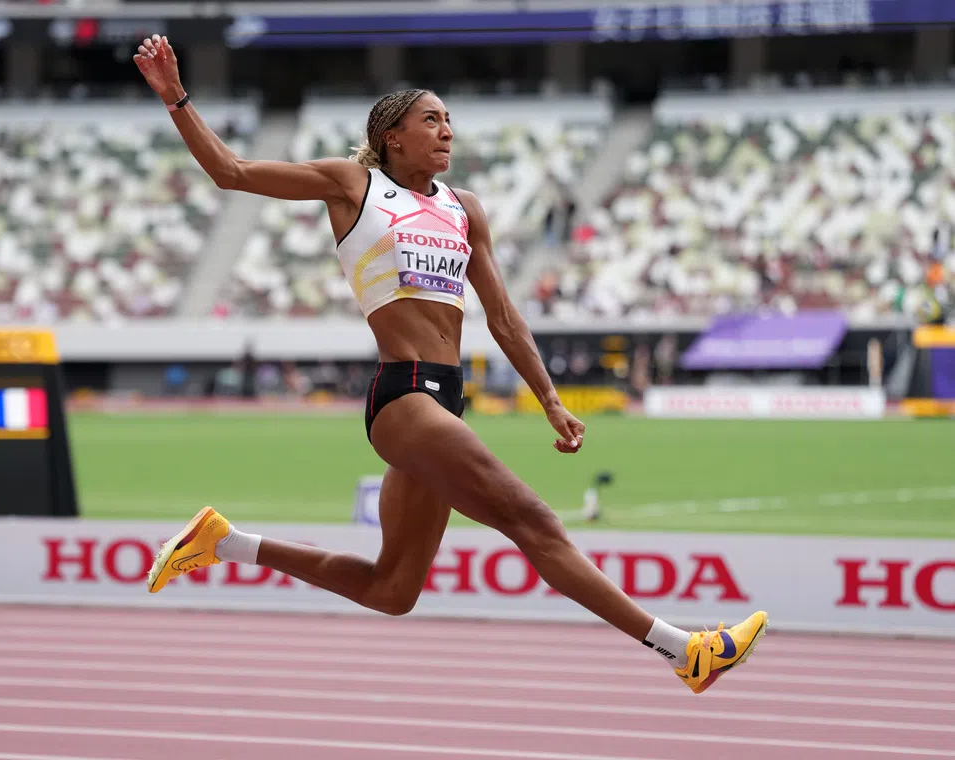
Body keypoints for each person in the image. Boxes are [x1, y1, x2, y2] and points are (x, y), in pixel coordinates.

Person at [134, 34, 767, 695]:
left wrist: (548, 398)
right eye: (431, 119)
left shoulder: (465, 210)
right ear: (392, 137)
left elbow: (503, 318)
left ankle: (224, 542)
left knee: (393, 589)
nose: (446, 131)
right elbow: (231, 171)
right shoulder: (354, 185)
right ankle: (683, 650)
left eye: (449, 121)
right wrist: (177, 97)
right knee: (537, 523)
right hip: (403, 400)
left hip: (446, 399)